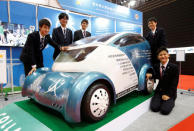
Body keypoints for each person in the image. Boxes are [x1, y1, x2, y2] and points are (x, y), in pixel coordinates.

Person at [147, 47, 179, 115]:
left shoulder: (174, 67)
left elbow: (174, 83)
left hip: (169, 92)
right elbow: (156, 76)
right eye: (160, 55)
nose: (163, 56)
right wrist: (151, 75)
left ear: (168, 55)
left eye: (164, 54)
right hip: (159, 91)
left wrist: (168, 95)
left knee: (165, 111)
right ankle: (161, 100)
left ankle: (171, 101)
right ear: (158, 57)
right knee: (154, 108)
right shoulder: (156, 66)